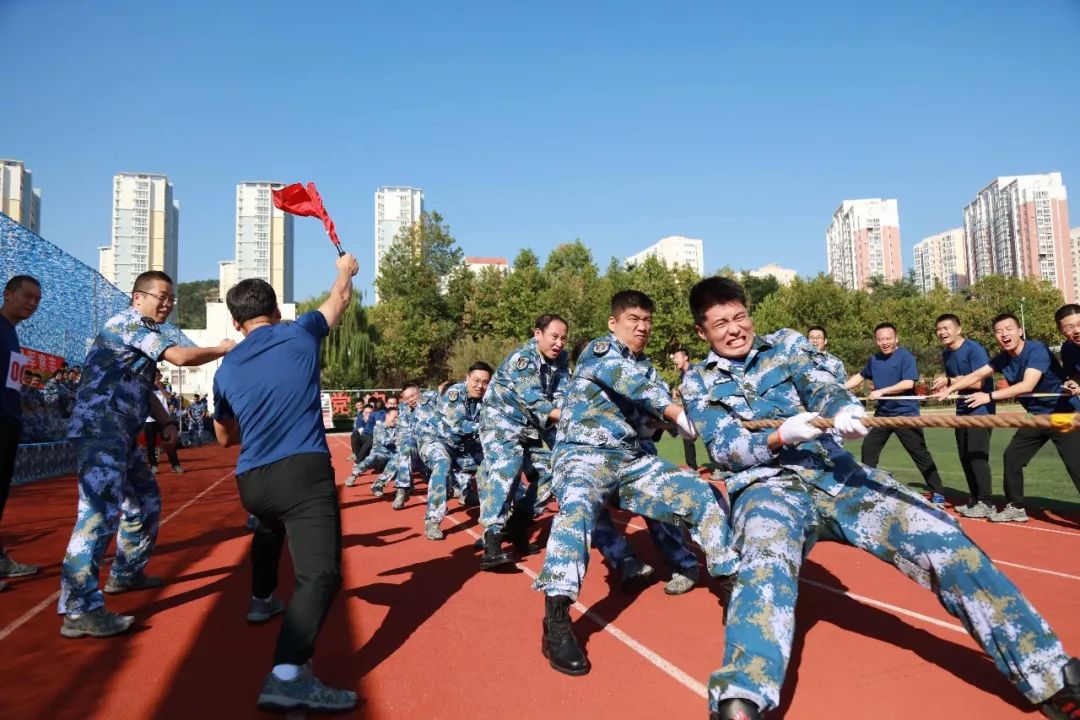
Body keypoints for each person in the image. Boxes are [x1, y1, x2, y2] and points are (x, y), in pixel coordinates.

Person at [680, 275, 1079, 720]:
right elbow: (723, 448)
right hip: (768, 487)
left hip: (839, 475)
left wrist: (841, 409)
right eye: (721, 324)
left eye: (740, 317)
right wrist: (778, 436)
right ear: (703, 332)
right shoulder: (697, 381)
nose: (735, 329)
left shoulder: (785, 345)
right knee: (763, 566)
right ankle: (743, 696)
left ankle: (1048, 671)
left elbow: (820, 383)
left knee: (942, 537)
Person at [534, 290, 738, 677]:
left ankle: (729, 582)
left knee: (701, 493)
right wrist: (675, 413)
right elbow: (635, 388)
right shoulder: (598, 352)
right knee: (575, 514)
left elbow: (654, 413)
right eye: (633, 319)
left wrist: (689, 423)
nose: (642, 327)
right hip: (583, 456)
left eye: (647, 320)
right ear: (614, 324)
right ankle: (556, 621)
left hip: (631, 460)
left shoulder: (648, 369)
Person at [212, 254, 359, 713]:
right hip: (302, 472)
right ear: (276, 311)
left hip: (251, 481)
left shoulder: (226, 368)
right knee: (320, 574)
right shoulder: (300, 331)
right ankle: (287, 674)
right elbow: (340, 300)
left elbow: (223, 437)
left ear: (237, 324)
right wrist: (345, 270)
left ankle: (260, 599)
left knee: (270, 525)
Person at [58, 270, 235, 638]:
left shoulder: (146, 334)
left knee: (144, 500)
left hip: (121, 434)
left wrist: (166, 420)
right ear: (138, 297)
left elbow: (143, 388)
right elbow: (182, 358)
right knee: (97, 514)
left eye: (171, 298)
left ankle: (125, 574)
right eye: (161, 296)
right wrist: (223, 349)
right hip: (100, 431)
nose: (168, 303)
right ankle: (79, 610)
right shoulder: (129, 324)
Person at [939, 312, 1080, 522]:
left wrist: (988, 396)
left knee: (1075, 464)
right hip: (1037, 417)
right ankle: (1016, 506)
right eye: (999, 331)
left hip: (1063, 414)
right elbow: (977, 374)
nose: (1004, 334)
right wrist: (950, 389)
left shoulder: (1036, 349)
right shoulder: (1003, 358)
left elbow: (1027, 385)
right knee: (1012, 456)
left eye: (1009, 329)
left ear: (1020, 331)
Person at [476, 314, 571, 567]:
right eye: (554, 336)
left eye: (563, 338)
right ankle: (492, 540)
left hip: (531, 426)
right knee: (508, 466)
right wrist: (573, 417)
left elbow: (563, 396)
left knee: (554, 469)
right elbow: (534, 401)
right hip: (501, 421)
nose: (559, 343)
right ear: (537, 334)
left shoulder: (561, 359)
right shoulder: (522, 359)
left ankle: (518, 522)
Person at [843, 322, 945, 506]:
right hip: (883, 414)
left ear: (896, 339)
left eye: (888, 338)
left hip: (905, 414)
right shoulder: (874, 360)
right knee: (869, 449)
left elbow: (908, 384)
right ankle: (867, 488)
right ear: (876, 341)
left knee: (919, 453)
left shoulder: (905, 357)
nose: (885, 342)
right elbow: (860, 376)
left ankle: (937, 491)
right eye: (881, 339)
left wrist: (882, 391)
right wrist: (840, 388)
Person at [929, 314, 995, 518]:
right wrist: (947, 382)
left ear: (959, 329)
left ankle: (986, 502)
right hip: (962, 410)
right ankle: (975, 499)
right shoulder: (947, 354)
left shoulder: (974, 350)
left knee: (977, 456)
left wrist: (949, 382)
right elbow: (957, 383)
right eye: (939, 329)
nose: (942, 332)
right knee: (965, 456)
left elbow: (978, 383)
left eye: (946, 328)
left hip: (980, 411)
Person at [0, 275, 42, 589]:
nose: (31, 303)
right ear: (8, 293)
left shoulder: (11, 333)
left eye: (36, 300)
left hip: (9, 421)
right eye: (26, 296)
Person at [423, 363, 491, 540]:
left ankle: (493, 519)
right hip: (438, 441)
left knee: (490, 465)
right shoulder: (456, 393)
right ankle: (433, 520)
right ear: (467, 378)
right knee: (442, 464)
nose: (480, 386)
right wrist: (488, 427)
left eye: (485, 382)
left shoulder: (489, 398)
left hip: (464, 447)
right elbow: (458, 425)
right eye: (476, 381)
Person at [346, 407, 399, 489]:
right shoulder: (379, 427)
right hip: (380, 453)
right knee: (372, 458)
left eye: (398, 417)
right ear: (387, 416)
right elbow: (384, 441)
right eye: (395, 417)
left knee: (400, 460)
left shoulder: (399, 428)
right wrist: (397, 438)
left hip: (392, 454)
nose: (396, 419)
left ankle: (378, 485)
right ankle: (354, 475)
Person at [144, 372, 184, 474]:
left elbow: (170, 398)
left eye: (157, 376)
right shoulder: (145, 386)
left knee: (169, 442)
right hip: (150, 419)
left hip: (164, 420)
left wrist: (161, 388)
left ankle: (175, 465)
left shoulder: (165, 386)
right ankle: (153, 466)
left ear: (160, 377)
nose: (156, 378)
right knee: (150, 444)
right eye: (154, 376)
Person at [672, 348, 699, 471]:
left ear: (685, 358)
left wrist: (684, 387)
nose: (674, 360)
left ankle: (722, 469)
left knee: (710, 437)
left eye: (677, 357)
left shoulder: (695, 371)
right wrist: (678, 391)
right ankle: (692, 467)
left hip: (702, 410)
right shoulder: (682, 374)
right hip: (689, 411)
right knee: (686, 436)